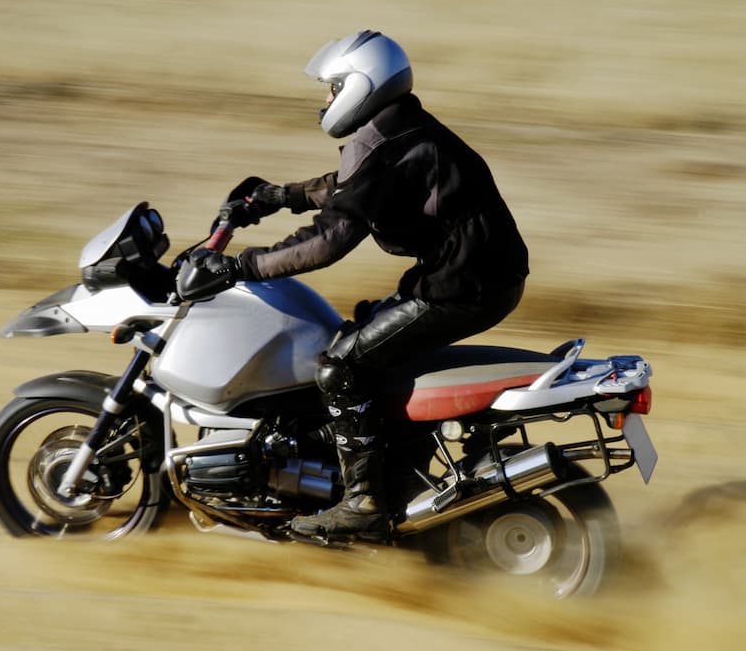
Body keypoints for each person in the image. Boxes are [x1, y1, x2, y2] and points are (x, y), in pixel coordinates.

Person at [177, 30, 529, 542]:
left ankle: (363, 502)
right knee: (369, 343)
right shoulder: (398, 128)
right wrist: (278, 196)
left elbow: (330, 240)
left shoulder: (385, 143)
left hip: (460, 286)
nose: (325, 100)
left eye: (332, 88)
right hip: (475, 275)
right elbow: (352, 186)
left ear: (361, 86)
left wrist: (238, 267)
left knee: (341, 366)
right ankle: (399, 475)